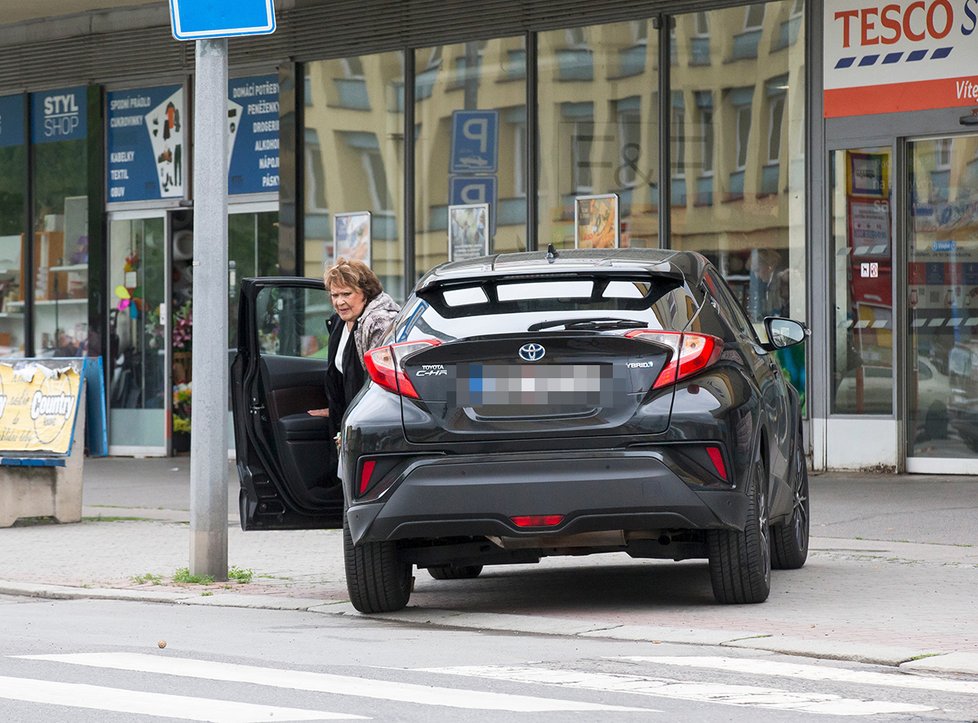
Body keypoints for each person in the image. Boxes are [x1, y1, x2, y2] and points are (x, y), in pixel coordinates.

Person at [308, 258, 400, 433]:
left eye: (346, 294)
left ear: (365, 293)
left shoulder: (379, 322)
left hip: (373, 423)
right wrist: (335, 411)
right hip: (349, 419)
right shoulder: (340, 321)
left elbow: (383, 384)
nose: (339, 302)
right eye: (335, 295)